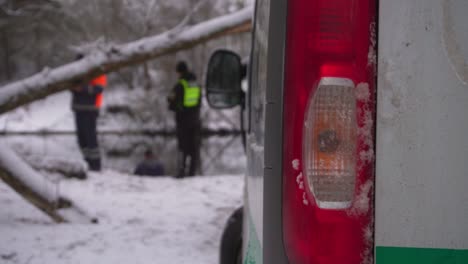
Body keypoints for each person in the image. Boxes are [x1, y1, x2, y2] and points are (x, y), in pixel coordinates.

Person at [71, 54, 107, 171]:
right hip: (78, 108)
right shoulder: (75, 72)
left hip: (90, 109)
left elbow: (99, 88)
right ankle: (87, 162)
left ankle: (95, 165)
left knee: (91, 138)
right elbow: (70, 85)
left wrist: (83, 89)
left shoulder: (97, 71)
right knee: (81, 138)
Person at [167, 60, 202, 178]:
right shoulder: (196, 84)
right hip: (195, 119)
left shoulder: (180, 85)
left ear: (179, 72)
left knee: (183, 146)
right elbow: (199, 101)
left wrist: (172, 103)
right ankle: (192, 172)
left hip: (183, 120)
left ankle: (182, 171)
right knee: (193, 146)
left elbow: (172, 101)